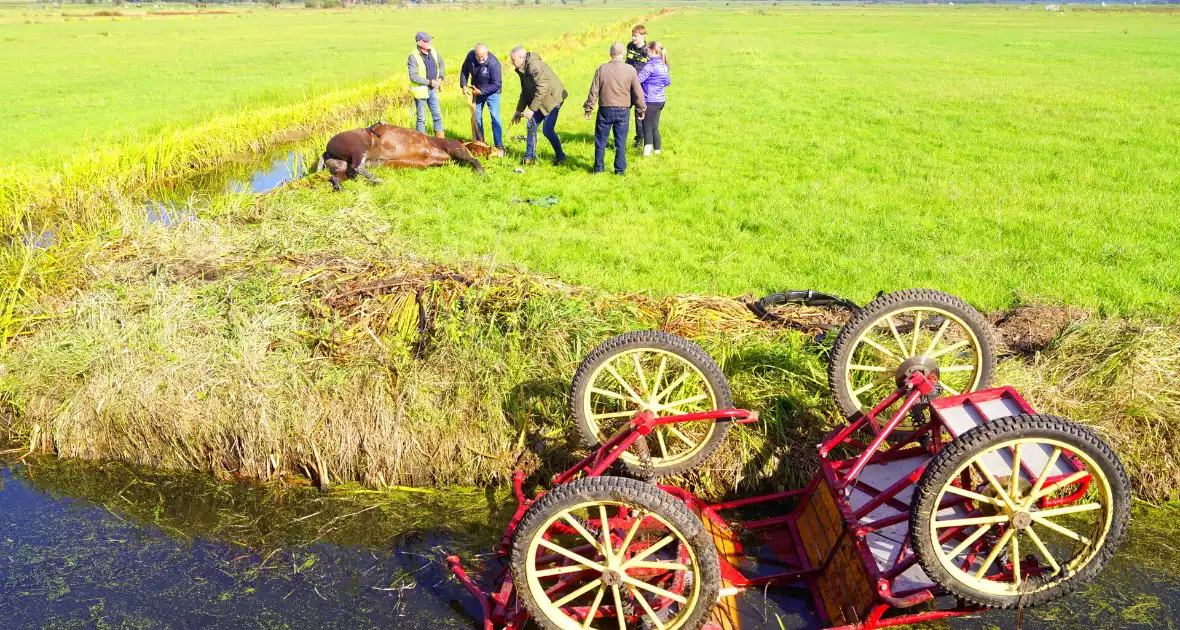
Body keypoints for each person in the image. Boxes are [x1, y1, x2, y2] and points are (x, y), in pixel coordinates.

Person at [584, 42, 646, 176]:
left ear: (610, 53)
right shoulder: (630, 70)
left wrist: (589, 108)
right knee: (620, 142)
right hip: (623, 110)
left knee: (601, 140)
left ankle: (598, 169)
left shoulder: (602, 69)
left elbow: (594, 90)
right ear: (624, 54)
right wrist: (641, 109)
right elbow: (638, 91)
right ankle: (620, 171)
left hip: (605, 109)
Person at [509, 45, 568, 166]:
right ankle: (529, 158)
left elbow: (542, 89)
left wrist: (532, 110)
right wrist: (518, 110)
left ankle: (561, 157)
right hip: (542, 99)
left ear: (521, 57)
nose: (511, 62)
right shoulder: (522, 69)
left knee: (547, 130)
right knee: (531, 125)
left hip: (553, 99)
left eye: (513, 59)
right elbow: (525, 91)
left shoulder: (534, 66)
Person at [459, 43, 504, 151]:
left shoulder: (494, 63)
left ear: (487, 53)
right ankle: (480, 143)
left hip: (492, 92)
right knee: (476, 117)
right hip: (476, 91)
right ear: (475, 54)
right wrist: (464, 86)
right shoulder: (470, 56)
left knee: (494, 116)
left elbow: (497, 84)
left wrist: (482, 92)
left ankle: (499, 145)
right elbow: (464, 70)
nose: (480, 59)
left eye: (483, 56)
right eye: (478, 56)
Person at [407, 31, 445, 138]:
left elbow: (441, 64)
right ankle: (421, 143)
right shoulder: (413, 56)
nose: (429, 42)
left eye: (429, 40)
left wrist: (440, 78)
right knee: (421, 118)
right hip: (421, 91)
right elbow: (413, 76)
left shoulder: (433, 51)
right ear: (419, 43)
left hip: (433, 89)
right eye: (426, 40)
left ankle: (440, 141)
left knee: (437, 115)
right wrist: (430, 82)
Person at [637, 41, 670, 157]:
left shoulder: (651, 65)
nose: (646, 52)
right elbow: (667, 82)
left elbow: (639, 79)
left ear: (652, 51)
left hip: (650, 100)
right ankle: (657, 151)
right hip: (660, 101)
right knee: (655, 127)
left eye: (647, 50)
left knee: (646, 127)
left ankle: (646, 154)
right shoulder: (664, 65)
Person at [625, 24, 649, 149]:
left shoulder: (648, 51)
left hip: (641, 87)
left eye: (636, 36)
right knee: (623, 110)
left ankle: (639, 139)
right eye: (632, 36)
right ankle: (620, 137)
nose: (633, 38)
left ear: (643, 36)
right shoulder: (629, 46)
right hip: (627, 85)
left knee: (639, 113)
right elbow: (626, 63)